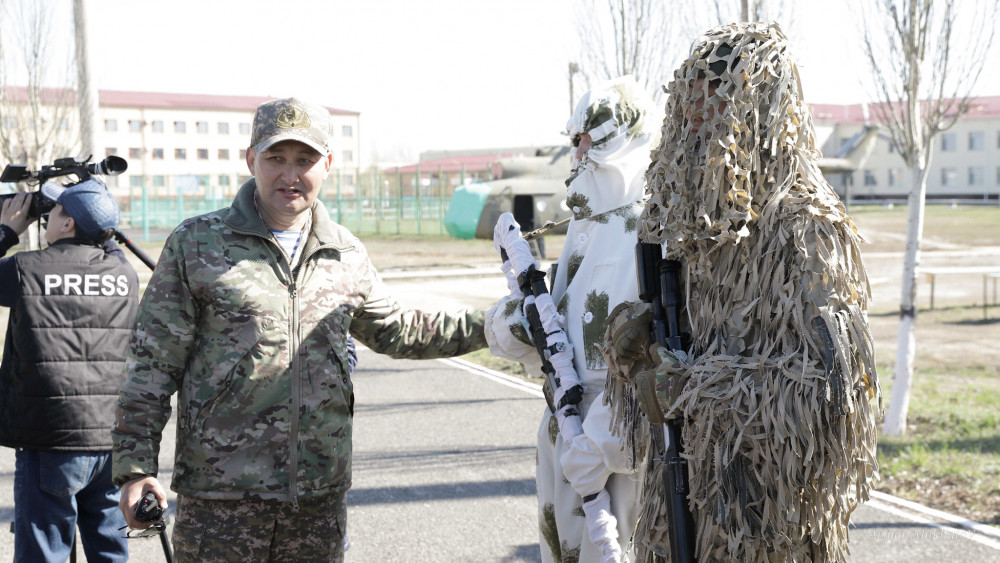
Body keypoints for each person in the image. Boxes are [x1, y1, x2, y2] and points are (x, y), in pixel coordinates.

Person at [111, 97, 486, 562]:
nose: (290, 175)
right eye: (275, 158)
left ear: (327, 164)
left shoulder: (344, 252)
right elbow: (151, 364)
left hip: (316, 502)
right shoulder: (197, 244)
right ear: (251, 160)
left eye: (305, 160)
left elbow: (399, 330)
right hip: (221, 501)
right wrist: (134, 469)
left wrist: (497, 325)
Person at [606, 22, 882, 561]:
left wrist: (697, 387)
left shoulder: (804, 227)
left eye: (713, 105)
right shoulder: (682, 226)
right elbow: (650, 393)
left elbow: (834, 401)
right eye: (687, 104)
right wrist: (632, 348)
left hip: (762, 528)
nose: (691, 120)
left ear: (757, 112)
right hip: (675, 510)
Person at [486, 76, 660, 562]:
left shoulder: (649, 228)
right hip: (567, 435)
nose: (576, 154)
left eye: (584, 139)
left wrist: (603, 443)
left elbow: (654, 347)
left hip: (619, 452)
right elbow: (563, 326)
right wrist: (516, 320)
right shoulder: (590, 223)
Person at [0, 179, 139, 562]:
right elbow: (110, 245)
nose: (47, 218)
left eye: (55, 212)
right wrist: (97, 210)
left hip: (50, 438)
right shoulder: (123, 275)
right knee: (111, 548)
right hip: (110, 440)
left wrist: (8, 231)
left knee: (44, 551)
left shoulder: (25, 269)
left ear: (67, 225)